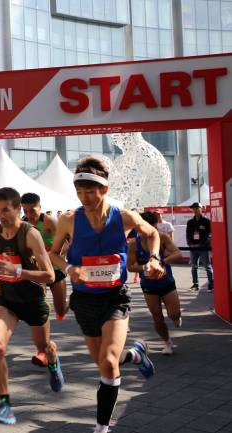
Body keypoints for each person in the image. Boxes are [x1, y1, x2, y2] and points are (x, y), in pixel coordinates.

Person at [49, 157, 162, 433]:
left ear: (104, 190)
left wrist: (155, 258)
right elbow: (53, 253)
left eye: (90, 191)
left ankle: (102, 427)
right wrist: (69, 267)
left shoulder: (123, 216)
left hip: (115, 296)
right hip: (85, 299)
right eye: (79, 192)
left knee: (109, 363)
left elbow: (151, 233)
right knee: (103, 361)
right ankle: (135, 354)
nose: (84, 197)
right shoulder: (68, 220)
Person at [0, 187, 64, 425]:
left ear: (18, 209)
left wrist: (17, 271)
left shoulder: (30, 234)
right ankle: (5, 406)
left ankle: (53, 361)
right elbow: (2, 263)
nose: (1, 215)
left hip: (32, 300)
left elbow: (50, 275)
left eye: (6, 210)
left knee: (43, 347)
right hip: (7, 300)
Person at [20, 192, 70, 368]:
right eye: (25, 211)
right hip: (38, 273)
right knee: (39, 308)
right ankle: (42, 350)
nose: (29, 214)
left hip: (55, 270)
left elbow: (67, 241)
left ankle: (72, 299)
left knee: (61, 310)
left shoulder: (49, 221)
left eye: (32, 210)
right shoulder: (24, 225)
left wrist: (56, 255)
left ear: (40, 208)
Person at [127, 212, 183, 355]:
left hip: (166, 283)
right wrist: (144, 267)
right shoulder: (134, 244)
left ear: (155, 225)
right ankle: (167, 343)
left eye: (151, 227)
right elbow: (130, 266)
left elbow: (178, 254)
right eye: (142, 227)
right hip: (149, 286)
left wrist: (162, 262)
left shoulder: (162, 238)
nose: (147, 231)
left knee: (173, 314)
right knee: (157, 317)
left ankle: (176, 317)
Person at [186, 202, 213, 292]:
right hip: (193, 248)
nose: (195, 210)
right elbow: (188, 234)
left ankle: (211, 285)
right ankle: (195, 284)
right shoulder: (190, 222)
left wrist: (200, 244)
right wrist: (190, 244)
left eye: (197, 208)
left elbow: (208, 235)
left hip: (203, 248)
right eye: (193, 208)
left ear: (201, 209)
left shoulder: (206, 221)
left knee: (207, 267)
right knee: (194, 267)